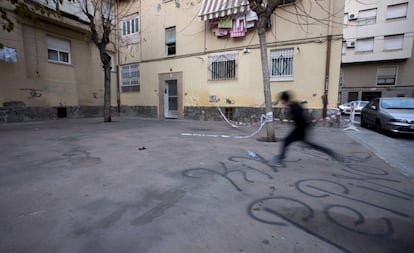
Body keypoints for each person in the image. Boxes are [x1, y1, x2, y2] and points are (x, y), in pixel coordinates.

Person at [269, 91, 339, 167]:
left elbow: (300, 118)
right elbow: (303, 116)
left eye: (282, 101)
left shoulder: (294, 107)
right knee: (306, 144)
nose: (282, 103)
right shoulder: (295, 104)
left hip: (300, 130)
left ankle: (279, 159)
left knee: (286, 141)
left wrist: (299, 129)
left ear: (284, 100)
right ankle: (327, 151)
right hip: (301, 129)